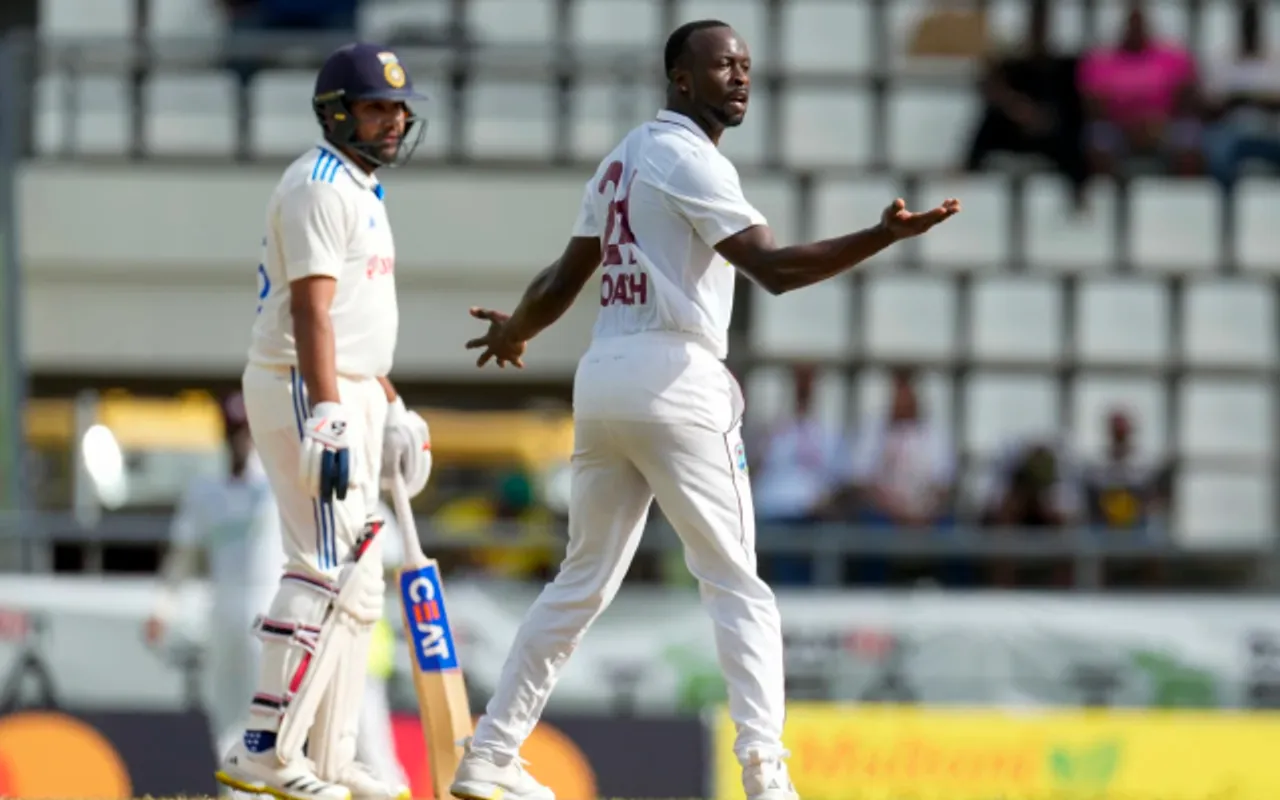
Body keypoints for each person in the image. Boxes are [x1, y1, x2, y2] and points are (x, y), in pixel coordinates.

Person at [451, 19, 960, 800]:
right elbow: (774, 270)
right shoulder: (689, 158)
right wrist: (880, 236)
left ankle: (490, 753)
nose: (740, 77)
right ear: (680, 80)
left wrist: (520, 328)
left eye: (747, 65)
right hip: (675, 375)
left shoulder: (622, 158)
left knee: (580, 580)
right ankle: (765, 775)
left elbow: (567, 274)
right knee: (736, 586)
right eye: (722, 64)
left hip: (605, 375)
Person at [215, 42, 433, 800]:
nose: (393, 121)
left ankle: (334, 758)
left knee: (362, 581)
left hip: (353, 387)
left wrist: (392, 404)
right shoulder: (316, 185)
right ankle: (264, 749)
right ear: (337, 113)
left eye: (397, 109)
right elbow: (310, 312)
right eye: (376, 107)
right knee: (322, 567)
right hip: (304, 385)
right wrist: (333, 412)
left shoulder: (364, 188)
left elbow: (356, 319)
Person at [144, 392, 284, 773]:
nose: (239, 439)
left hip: (268, 614)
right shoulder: (205, 491)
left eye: (245, 431)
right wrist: (163, 608)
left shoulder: (274, 487)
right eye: (232, 430)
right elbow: (183, 557)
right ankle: (235, 793)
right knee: (225, 714)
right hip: (222, 613)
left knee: (269, 716)